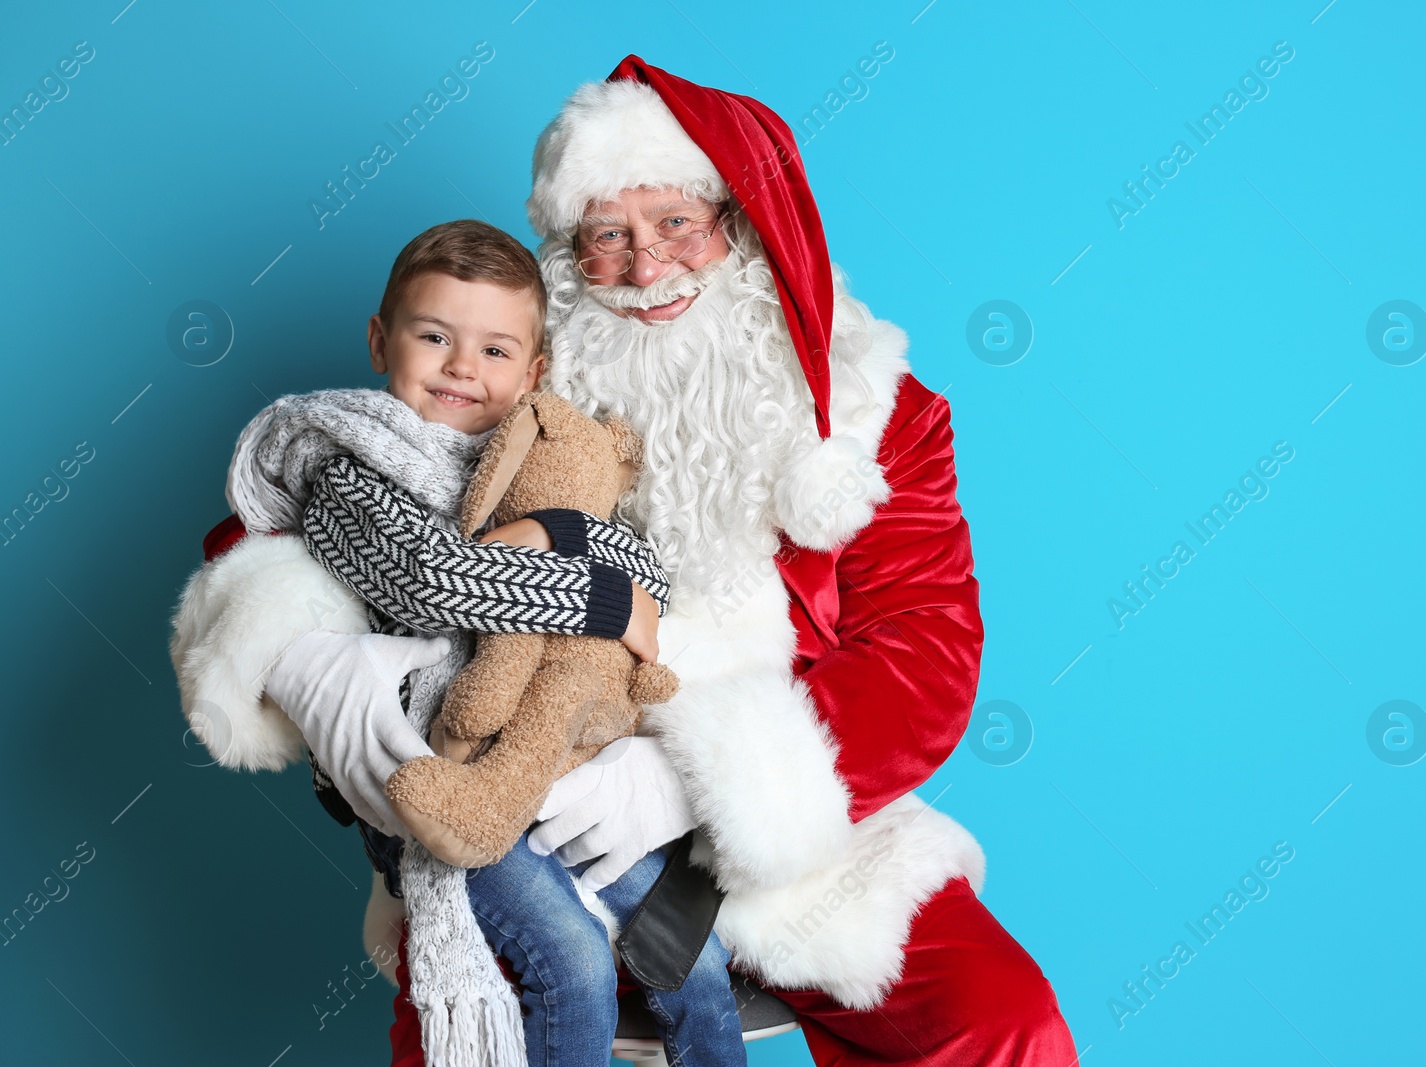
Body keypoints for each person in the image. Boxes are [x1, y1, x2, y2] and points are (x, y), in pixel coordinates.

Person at [172, 58, 1080, 1066]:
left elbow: (926, 656)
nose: (648, 271)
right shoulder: (514, 374)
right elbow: (310, 501)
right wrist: (310, 666)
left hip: (788, 817)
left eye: (676, 225)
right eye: (608, 237)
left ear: (736, 225)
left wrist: (691, 785)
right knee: (461, 1030)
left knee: (1004, 1022)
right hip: (536, 801)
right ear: (568, 256)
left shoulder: (875, 416)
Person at [176, 218, 746, 1066]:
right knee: (575, 965)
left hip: (556, 757)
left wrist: (556, 531)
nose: (461, 368)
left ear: (534, 373)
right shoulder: (348, 467)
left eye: (494, 350)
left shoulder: (537, 457)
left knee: (695, 956)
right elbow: (436, 582)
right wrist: (601, 596)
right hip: (441, 769)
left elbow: (645, 571)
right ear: (380, 340)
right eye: (434, 336)